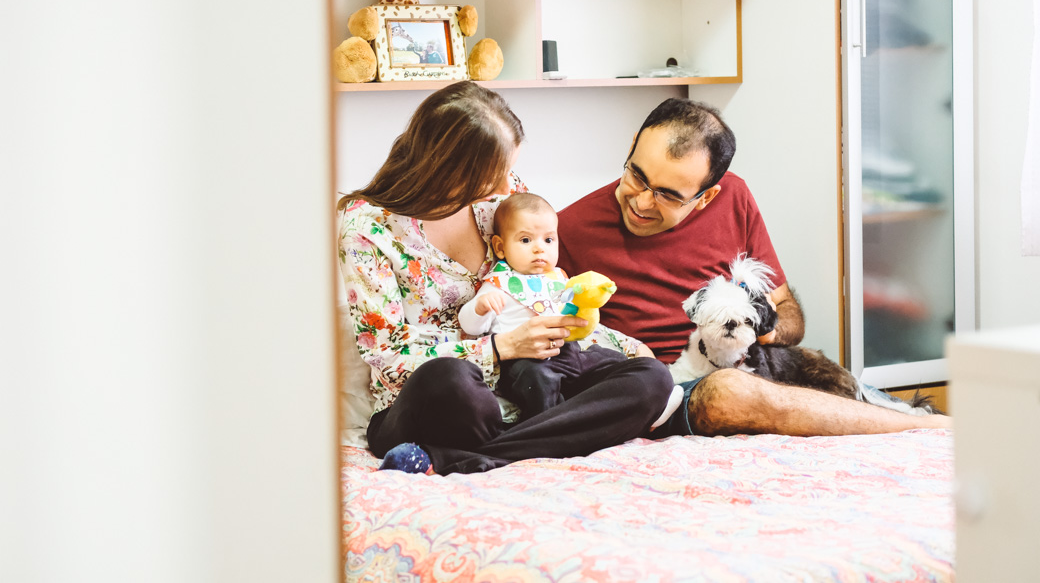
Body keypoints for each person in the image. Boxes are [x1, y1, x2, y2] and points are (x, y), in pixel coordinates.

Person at [557, 98, 952, 436]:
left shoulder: (734, 197)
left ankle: (922, 425)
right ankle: (916, 428)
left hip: (752, 365)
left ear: (707, 197)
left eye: (667, 196)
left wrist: (753, 330)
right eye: (637, 176)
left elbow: (788, 313)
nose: (642, 202)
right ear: (632, 147)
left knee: (817, 372)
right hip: (668, 390)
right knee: (728, 390)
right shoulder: (564, 231)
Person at [338, 81, 675, 475]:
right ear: (446, 167)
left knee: (651, 379)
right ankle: (552, 436)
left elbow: (543, 292)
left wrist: (629, 347)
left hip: (530, 391)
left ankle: (465, 457)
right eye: (494, 174)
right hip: (441, 403)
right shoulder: (367, 228)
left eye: (508, 170)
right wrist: (501, 347)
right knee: (450, 379)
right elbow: (389, 356)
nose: (505, 186)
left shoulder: (500, 199)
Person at [458, 192, 681, 424]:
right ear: (500, 247)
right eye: (525, 240)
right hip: (525, 361)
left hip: (569, 353)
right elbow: (471, 327)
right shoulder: (498, 284)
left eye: (548, 240)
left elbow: (578, 318)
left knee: (612, 360)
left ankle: (655, 403)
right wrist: (480, 308)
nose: (539, 249)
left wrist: (587, 302)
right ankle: (548, 424)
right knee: (538, 379)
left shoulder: (559, 278)